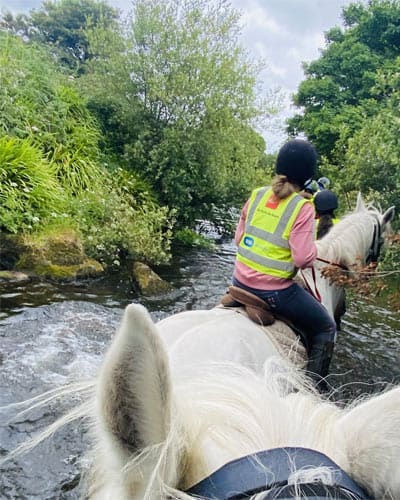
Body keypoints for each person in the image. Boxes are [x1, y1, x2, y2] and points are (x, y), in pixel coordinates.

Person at [233, 139, 336, 390]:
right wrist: (311, 251)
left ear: (279, 166)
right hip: (274, 292)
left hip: (238, 281)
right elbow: (302, 258)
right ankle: (313, 393)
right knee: (326, 327)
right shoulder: (302, 207)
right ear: (308, 176)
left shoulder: (257, 194)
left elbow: (238, 239)